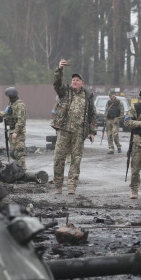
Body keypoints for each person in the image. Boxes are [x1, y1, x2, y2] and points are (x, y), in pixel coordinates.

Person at [52, 59, 97, 194]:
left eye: (77, 80)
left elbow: (92, 115)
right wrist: (59, 69)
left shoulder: (87, 96)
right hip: (64, 130)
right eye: (73, 80)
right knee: (58, 159)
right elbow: (56, 83)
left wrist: (92, 132)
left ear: (82, 83)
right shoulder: (65, 92)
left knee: (76, 161)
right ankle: (58, 186)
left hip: (78, 133)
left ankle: (72, 185)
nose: (74, 82)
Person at [0, 87, 27, 169]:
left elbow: (21, 120)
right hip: (11, 130)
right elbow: (4, 113)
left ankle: (22, 168)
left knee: (19, 152)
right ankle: (17, 167)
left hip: (18, 132)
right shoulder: (11, 104)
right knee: (12, 153)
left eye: (9, 96)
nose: (9, 98)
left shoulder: (20, 105)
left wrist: (16, 131)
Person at [105, 90, 123, 154]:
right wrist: (105, 117)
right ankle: (111, 148)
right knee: (109, 135)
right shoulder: (108, 102)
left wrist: (118, 119)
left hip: (115, 120)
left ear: (114, 95)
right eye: (109, 95)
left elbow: (122, 112)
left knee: (115, 134)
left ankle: (118, 146)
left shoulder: (119, 102)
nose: (110, 96)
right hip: (109, 120)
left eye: (111, 95)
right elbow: (106, 110)